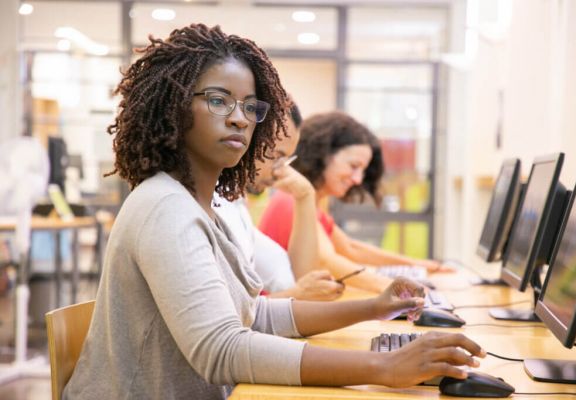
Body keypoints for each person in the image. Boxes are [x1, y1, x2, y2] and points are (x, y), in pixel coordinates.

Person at [64, 24, 485, 400]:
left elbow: (254, 314)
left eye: (250, 107)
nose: (239, 120)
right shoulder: (164, 208)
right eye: (218, 100)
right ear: (173, 105)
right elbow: (222, 349)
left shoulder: (205, 206)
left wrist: (374, 307)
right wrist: (383, 367)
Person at [259, 111, 451, 293]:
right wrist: (392, 287)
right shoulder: (292, 200)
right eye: (353, 166)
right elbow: (326, 260)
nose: (358, 179)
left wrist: (422, 266)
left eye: (362, 171)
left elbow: (351, 248)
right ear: (323, 155)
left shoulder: (311, 204)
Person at [215, 102, 343, 300]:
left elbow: (295, 279)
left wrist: (305, 196)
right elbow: (222, 313)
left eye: (285, 161)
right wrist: (298, 293)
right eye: (277, 156)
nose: (280, 170)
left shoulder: (234, 205)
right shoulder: (212, 204)